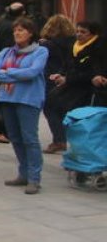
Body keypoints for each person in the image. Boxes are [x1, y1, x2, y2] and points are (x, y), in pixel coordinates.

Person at [0, 18, 49, 194]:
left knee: (30, 139)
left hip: (28, 99)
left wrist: (8, 72)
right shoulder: (6, 52)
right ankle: (23, 173)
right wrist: (17, 75)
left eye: (21, 30)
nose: (17, 33)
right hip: (8, 98)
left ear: (30, 33)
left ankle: (34, 178)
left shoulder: (40, 51)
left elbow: (32, 72)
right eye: (15, 30)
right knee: (15, 138)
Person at [48, 20, 106, 152]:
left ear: (93, 34)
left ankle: (83, 153)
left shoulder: (99, 48)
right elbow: (68, 64)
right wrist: (60, 74)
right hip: (73, 86)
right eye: (77, 31)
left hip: (89, 92)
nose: (79, 34)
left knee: (84, 123)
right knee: (52, 104)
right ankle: (63, 141)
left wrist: (67, 79)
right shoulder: (75, 45)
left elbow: (92, 72)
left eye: (83, 32)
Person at [0, 2, 27, 143]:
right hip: (12, 64)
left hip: (2, 63)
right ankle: (0, 129)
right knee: (7, 98)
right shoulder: (15, 27)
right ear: (22, 13)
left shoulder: (0, 23)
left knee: (2, 96)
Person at [38, 15, 76, 153]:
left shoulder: (47, 44)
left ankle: (59, 140)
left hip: (51, 78)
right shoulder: (74, 42)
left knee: (50, 109)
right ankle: (67, 137)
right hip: (68, 78)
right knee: (64, 110)